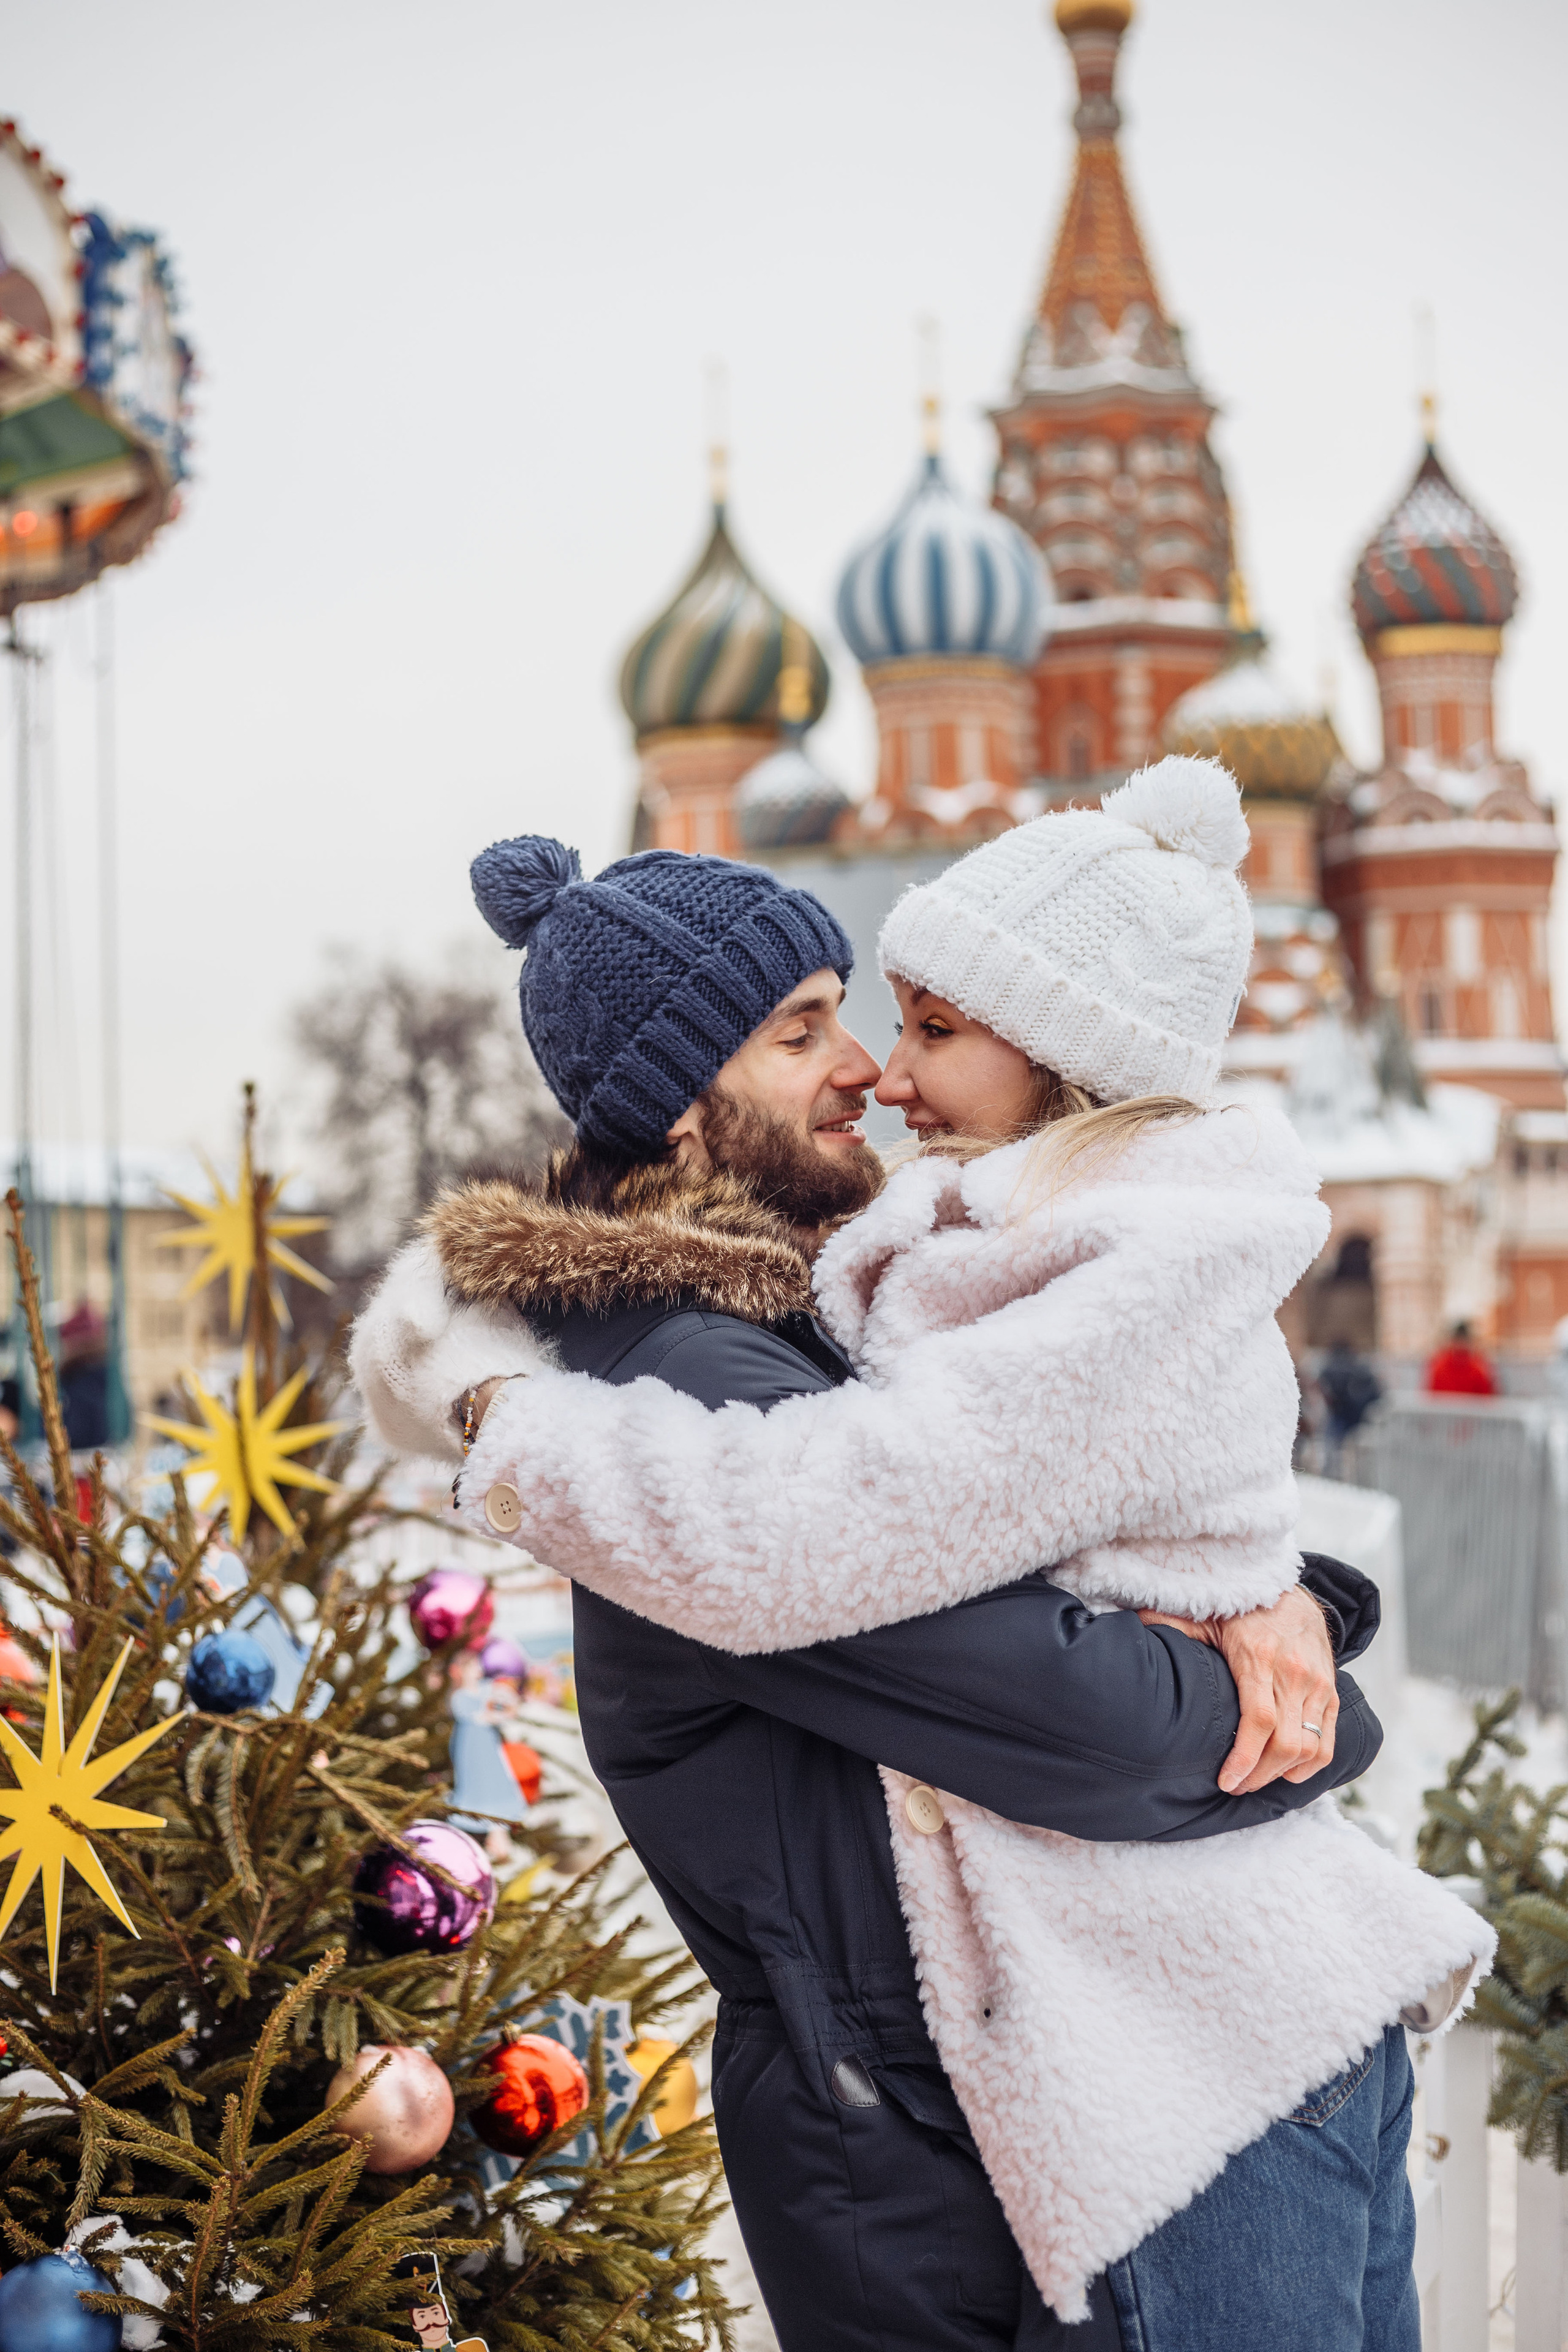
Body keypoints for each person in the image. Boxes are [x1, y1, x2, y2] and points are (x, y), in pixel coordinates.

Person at [352, 807, 1401, 2352]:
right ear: (683, 1116)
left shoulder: (834, 1327)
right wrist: (1323, 1705)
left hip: (1095, 2088)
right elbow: (1092, 1719)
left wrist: (1298, 1593)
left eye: (868, 1015)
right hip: (990, 2123)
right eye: (800, 1030)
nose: (865, 1067)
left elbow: (1083, 1513)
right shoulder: (704, 1381)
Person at [1318, 1336, 1383, 1450]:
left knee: (1332, 1446)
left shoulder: (1332, 1367)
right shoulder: (1361, 1367)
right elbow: (1377, 1392)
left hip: (1341, 1412)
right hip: (1359, 1415)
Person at [1425, 1318, 1498, 1396]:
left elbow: (1487, 1400)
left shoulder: (1479, 1370)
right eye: (1459, 1341)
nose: (1461, 1345)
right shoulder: (1439, 1368)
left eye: (1463, 1341)